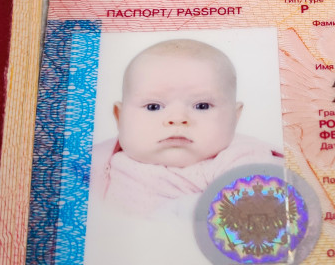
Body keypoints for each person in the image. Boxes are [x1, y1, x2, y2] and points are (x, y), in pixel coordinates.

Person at [89, 38, 282, 218]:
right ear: (119, 117)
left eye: (202, 106)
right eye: (153, 107)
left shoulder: (240, 158)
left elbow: (261, 210)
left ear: (235, 116)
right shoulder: (95, 160)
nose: (178, 119)